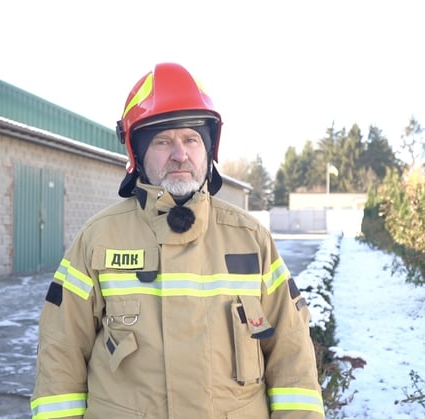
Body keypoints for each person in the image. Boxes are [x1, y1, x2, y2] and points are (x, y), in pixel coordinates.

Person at [31, 62, 324, 419]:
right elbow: (60, 354)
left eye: (191, 139)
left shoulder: (251, 240)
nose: (179, 153)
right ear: (137, 154)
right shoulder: (97, 240)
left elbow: (292, 356)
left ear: (208, 149)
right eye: (162, 141)